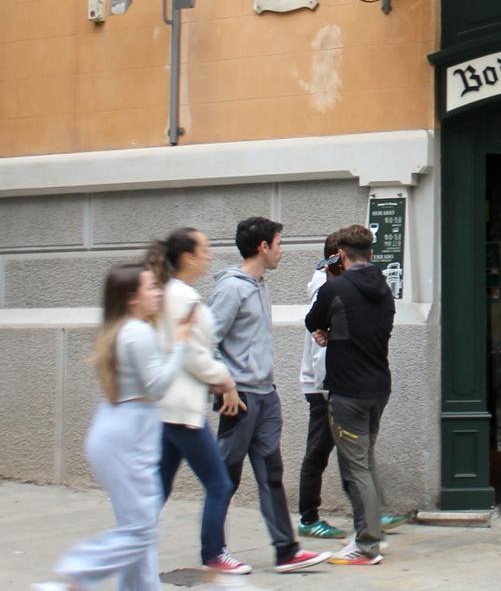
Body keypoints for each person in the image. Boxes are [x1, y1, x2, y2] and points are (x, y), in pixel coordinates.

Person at [35, 263, 189, 591]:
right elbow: (157, 386)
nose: (158, 292)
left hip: (120, 431)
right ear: (132, 297)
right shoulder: (137, 332)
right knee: (141, 530)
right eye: (150, 287)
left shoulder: (123, 329)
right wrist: (180, 345)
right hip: (127, 437)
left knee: (138, 527)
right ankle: (73, 575)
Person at [210, 217, 330, 573]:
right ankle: (214, 551)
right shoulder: (232, 289)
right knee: (224, 477)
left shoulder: (260, 285)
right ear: (262, 246)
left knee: (271, 474)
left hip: (266, 394)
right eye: (278, 243)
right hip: (240, 397)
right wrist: (225, 385)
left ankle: (286, 550)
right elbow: (205, 342)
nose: (282, 250)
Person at [147, 229, 249, 575]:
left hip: (170, 406)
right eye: (204, 249)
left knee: (159, 486)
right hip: (182, 409)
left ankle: (133, 546)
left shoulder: (173, 293)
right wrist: (225, 381)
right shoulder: (184, 297)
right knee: (219, 482)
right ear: (188, 257)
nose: (209, 255)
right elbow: (193, 354)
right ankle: (214, 553)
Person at [306, 224, 396, 566]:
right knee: (366, 461)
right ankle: (374, 532)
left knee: (355, 468)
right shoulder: (385, 290)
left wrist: (329, 331)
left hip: (348, 391)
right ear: (370, 253)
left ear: (340, 255)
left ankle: (367, 544)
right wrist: (336, 332)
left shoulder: (336, 288)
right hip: (379, 388)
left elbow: (313, 319)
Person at [296, 231, 347, 540]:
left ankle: (366, 509)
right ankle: (308, 517)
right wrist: (328, 390)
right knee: (318, 450)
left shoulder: (333, 287)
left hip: (333, 386)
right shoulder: (323, 292)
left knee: (351, 451)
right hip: (323, 388)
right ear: (339, 257)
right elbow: (320, 350)